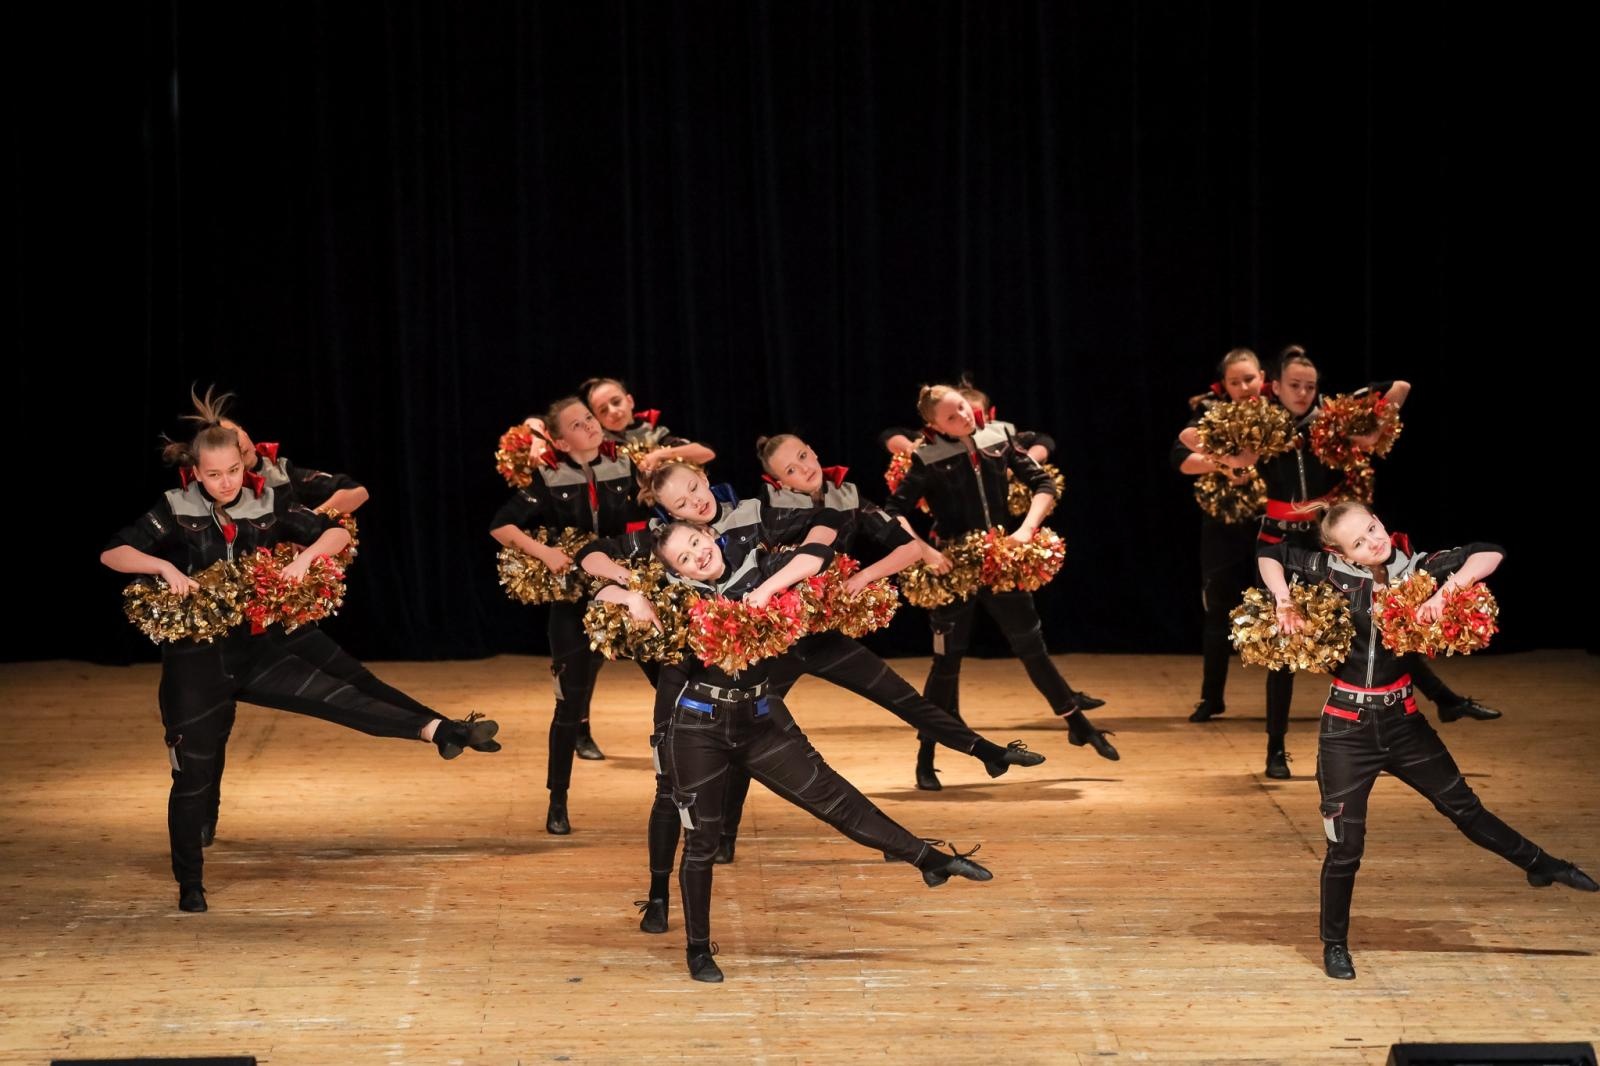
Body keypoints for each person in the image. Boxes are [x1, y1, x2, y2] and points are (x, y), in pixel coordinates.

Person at [101, 389, 497, 913]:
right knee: (192, 774)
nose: (226, 482)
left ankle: (440, 730)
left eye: (233, 472)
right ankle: (190, 882)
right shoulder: (173, 508)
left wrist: (305, 558)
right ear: (196, 472)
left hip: (257, 650)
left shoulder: (268, 502)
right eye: (214, 475)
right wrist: (165, 567)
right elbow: (114, 552)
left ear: (243, 466)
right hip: (196, 663)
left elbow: (334, 531)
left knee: (340, 696)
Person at [596, 521, 994, 982]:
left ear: (708, 534)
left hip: (759, 722)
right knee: (702, 842)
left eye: (696, 543)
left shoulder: (759, 567)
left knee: (833, 797)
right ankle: (698, 951)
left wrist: (767, 588)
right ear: (676, 572)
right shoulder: (678, 598)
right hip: (697, 731)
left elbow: (818, 554)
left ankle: (930, 861)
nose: (696, 555)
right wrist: (632, 597)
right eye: (683, 558)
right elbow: (601, 598)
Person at [1258, 500, 1595, 980]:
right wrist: (1283, 599)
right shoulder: (1326, 569)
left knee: (1465, 808)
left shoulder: (1414, 568)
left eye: (1373, 528)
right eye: (1360, 541)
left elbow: (1489, 553)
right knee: (1345, 847)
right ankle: (1335, 944)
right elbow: (1268, 550)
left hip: (1404, 722)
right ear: (1343, 553)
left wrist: (1445, 592)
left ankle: (1541, 864)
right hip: (1346, 731)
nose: (1374, 540)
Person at [884, 384, 1116, 790]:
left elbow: (1043, 484)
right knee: (946, 664)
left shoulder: (998, 439)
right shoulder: (926, 457)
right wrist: (925, 552)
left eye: (962, 408)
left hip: (1000, 559)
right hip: (953, 568)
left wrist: (1026, 530)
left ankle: (1077, 723)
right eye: (951, 417)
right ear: (933, 425)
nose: (962, 417)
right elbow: (892, 514)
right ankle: (926, 755)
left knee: (1032, 647)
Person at [489, 396, 656, 835]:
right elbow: (502, 525)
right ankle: (557, 801)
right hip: (574, 600)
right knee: (568, 704)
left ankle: (676, 786)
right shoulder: (548, 477)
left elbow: (649, 510)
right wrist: (544, 553)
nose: (590, 426)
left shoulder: (625, 464)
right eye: (578, 425)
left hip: (624, 588)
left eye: (590, 418)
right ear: (560, 441)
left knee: (668, 684)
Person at [1170, 349, 1268, 724]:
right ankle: (1212, 698)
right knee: (1217, 613)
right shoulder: (1211, 416)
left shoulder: (1277, 415)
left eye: (1249, 379)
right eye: (1234, 381)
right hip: (1223, 529)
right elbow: (1179, 459)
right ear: (1223, 385)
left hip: (1270, 526)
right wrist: (1225, 464)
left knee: (1285, 609)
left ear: (1263, 377)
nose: (1244, 387)